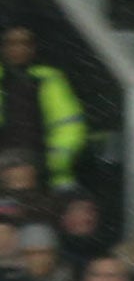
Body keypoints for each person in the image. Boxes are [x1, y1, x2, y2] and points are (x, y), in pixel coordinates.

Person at [0, 28, 88, 189]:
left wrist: (50, 165)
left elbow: (70, 127)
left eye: (24, 43)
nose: (18, 49)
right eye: (11, 43)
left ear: (33, 48)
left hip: (48, 171)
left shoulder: (49, 79)